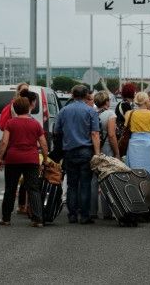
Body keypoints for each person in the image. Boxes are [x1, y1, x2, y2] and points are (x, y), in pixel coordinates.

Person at [0, 94, 49, 227]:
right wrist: (45, 158)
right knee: (33, 188)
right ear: (28, 108)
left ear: (15, 108)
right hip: (31, 159)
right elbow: (43, 143)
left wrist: (0, 158)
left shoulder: (10, 123)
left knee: (10, 188)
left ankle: (6, 218)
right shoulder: (35, 124)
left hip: (13, 159)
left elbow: (4, 142)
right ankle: (37, 219)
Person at [56, 85, 101, 224]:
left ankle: (72, 214)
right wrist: (97, 153)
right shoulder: (90, 111)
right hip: (86, 150)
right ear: (86, 95)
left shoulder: (63, 111)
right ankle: (85, 215)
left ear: (72, 95)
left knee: (72, 184)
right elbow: (94, 133)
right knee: (85, 184)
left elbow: (57, 131)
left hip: (69, 151)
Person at [90, 91, 120, 220]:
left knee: (94, 180)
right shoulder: (110, 114)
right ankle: (107, 212)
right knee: (107, 178)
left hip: (95, 147)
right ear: (107, 102)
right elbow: (112, 135)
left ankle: (92, 211)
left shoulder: (93, 113)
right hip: (107, 147)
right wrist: (117, 152)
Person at [124, 92, 150, 190]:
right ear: (146, 101)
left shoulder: (129, 113)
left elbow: (126, 127)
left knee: (135, 169)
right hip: (149, 144)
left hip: (134, 145)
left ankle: (137, 193)